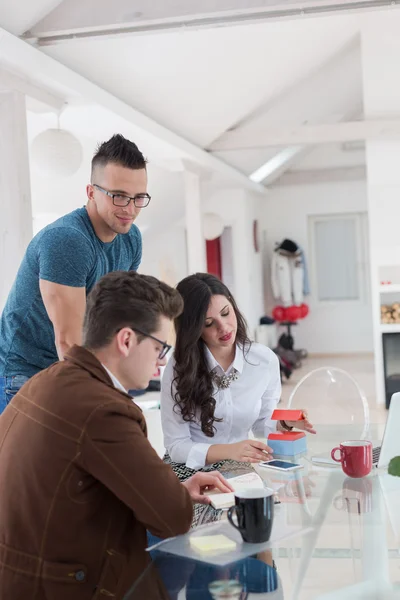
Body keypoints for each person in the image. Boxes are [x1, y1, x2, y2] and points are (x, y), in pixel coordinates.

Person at [0, 270, 233, 599]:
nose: (161, 364)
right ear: (126, 340)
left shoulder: (48, 378)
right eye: (160, 348)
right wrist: (176, 496)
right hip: (63, 583)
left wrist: (176, 487)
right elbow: (174, 518)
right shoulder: (105, 410)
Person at [0, 134, 150, 413]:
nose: (129, 209)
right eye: (118, 196)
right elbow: (69, 342)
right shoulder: (67, 240)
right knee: (33, 458)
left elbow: (116, 316)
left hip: (71, 369)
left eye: (138, 197)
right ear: (91, 192)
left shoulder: (131, 239)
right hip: (25, 375)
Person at [161, 273, 315, 481]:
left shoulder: (264, 361)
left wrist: (284, 423)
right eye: (209, 323)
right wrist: (229, 451)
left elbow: (261, 423)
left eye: (226, 313)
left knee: (263, 508)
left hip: (238, 468)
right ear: (194, 329)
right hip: (187, 470)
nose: (223, 328)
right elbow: (176, 446)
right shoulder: (179, 368)